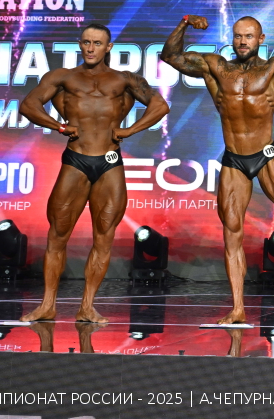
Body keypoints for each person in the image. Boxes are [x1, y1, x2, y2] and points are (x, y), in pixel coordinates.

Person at [160, 14, 274, 326]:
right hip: (234, 159)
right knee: (232, 232)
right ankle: (238, 307)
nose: (242, 42)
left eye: (249, 36)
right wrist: (183, 24)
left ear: (261, 39)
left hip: (266, 155)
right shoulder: (216, 67)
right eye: (238, 36)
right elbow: (170, 56)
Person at [19, 23, 169, 324]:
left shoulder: (125, 80)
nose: (91, 48)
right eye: (86, 42)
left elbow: (160, 106)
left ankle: (87, 306)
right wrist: (59, 126)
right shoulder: (63, 77)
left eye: (97, 43)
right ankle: (47, 305)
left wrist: (130, 130)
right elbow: (28, 104)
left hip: (110, 163)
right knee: (57, 235)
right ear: (80, 43)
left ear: (108, 47)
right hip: (76, 160)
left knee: (104, 237)